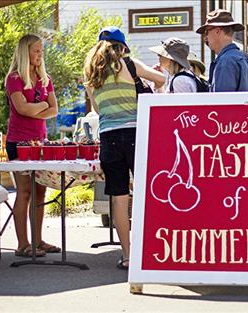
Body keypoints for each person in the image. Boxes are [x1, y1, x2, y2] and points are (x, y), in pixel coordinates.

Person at [83, 26, 165, 269]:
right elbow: (161, 80)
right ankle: (148, 250)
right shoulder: (129, 65)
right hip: (134, 133)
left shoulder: (92, 73)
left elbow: (97, 110)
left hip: (108, 139)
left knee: (119, 198)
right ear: (121, 47)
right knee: (145, 193)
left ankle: (128, 255)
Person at [4, 34, 60, 256]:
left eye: (41, 51)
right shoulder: (14, 78)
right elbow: (22, 109)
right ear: (25, 52)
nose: (40, 54)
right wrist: (44, 104)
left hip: (40, 142)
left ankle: (38, 241)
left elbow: (55, 110)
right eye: (36, 50)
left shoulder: (45, 78)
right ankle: (22, 245)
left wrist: (36, 106)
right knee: (24, 192)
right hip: (19, 143)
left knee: (40, 192)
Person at [196, 9, 248, 92]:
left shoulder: (226, 61)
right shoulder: (246, 58)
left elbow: (222, 102)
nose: (205, 37)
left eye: (206, 32)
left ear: (217, 31)